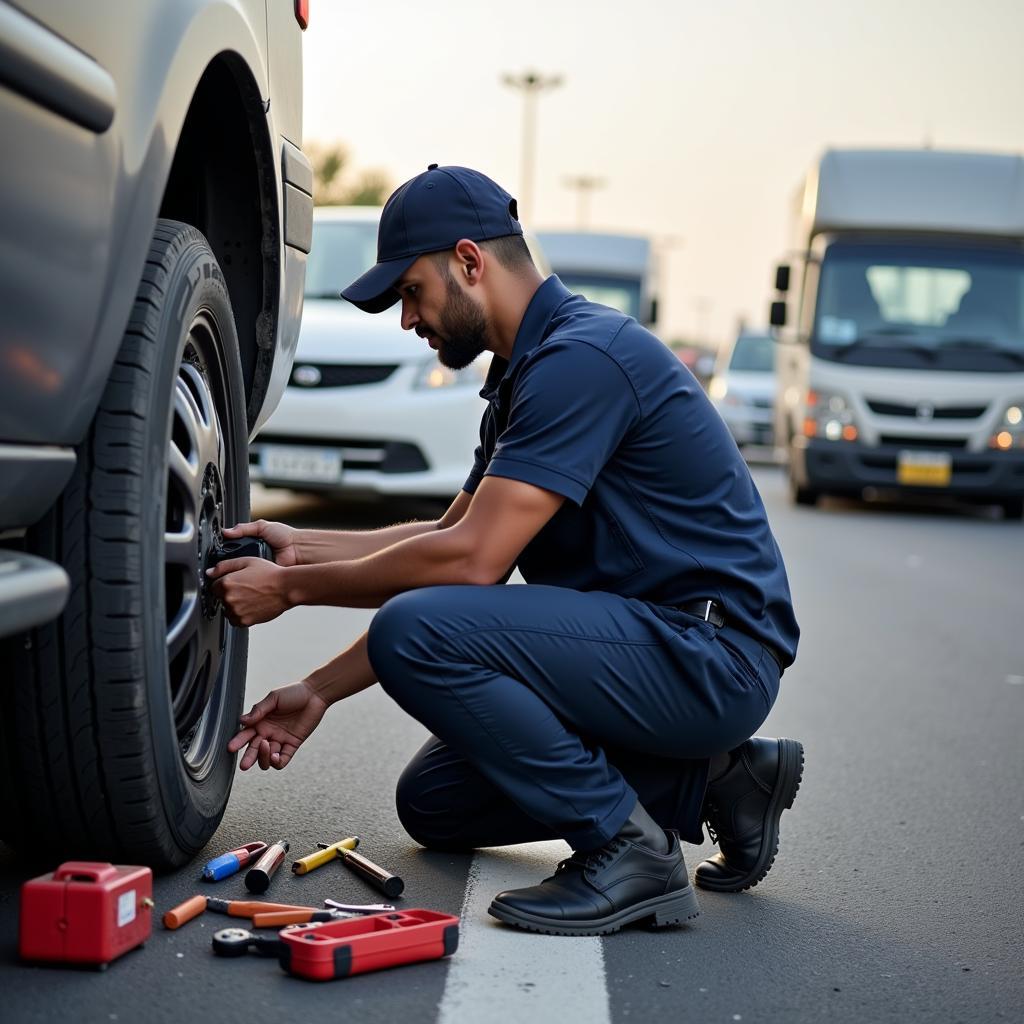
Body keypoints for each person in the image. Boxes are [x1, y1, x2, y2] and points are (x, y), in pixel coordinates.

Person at [208, 165, 803, 936]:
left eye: (410, 292)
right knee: (435, 803)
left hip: (708, 653)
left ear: (468, 262)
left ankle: (631, 850)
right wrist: (304, 570)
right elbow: (448, 534)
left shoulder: (582, 360)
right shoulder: (527, 372)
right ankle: (717, 777)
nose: (405, 320)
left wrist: (294, 592)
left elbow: (470, 565)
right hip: (649, 649)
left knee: (413, 629)